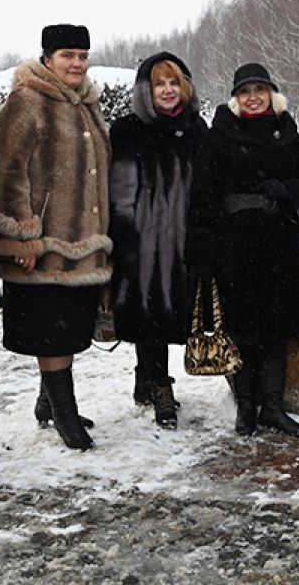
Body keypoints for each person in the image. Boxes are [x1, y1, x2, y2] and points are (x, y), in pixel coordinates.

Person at [0, 24, 111, 450]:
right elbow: (6, 170)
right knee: (53, 330)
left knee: (69, 328)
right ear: (47, 60)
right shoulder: (29, 100)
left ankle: (48, 401)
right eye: (67, 56)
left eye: (82, 55)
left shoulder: (87, 104)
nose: (77, 63)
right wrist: (20, 236)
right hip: (45, 245)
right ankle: (64, 412)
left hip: (85, 242)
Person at [187, 63, 299, 437]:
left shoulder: (288, 134)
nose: (253, 97)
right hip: (232, 246)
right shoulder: (218, 138)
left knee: (275, 331)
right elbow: (200, 198)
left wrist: (288, 189)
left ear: (270, 94)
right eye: (245, 91)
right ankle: (246, 408)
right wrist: (202, 251)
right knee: (240, 329)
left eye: (259, 90)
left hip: (279, 245)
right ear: (235, 97)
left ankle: (274, 409)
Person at [109, 52, 207, 429]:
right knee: (148, 311)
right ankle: (160, 387)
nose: (167, 90)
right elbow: (120, 188)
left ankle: (144, 378)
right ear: (145, 90)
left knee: (172, 311)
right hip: (145, 237)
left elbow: (207, 185)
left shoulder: (198, 129)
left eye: (173, 82)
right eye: (159, 84)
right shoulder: (129, 129)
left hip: (185, 237)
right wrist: (127, 237)